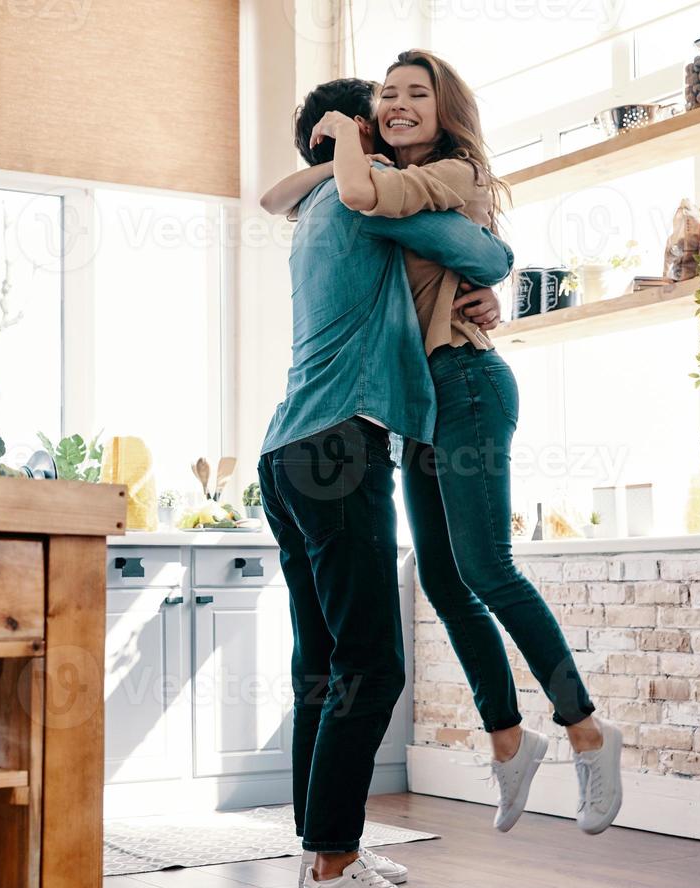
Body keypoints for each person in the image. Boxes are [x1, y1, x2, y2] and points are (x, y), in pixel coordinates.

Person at [262, 51, 624, 840]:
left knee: (486, 567)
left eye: (414, 94)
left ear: (442, 108)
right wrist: (340, 150)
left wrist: (495, 275)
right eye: (387, 95)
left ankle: (587, 733)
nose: (398, 104)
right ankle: (506, 740)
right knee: (443, 580)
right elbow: (284, 194)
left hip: (465, 383)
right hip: (419, 402)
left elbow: (489, 257)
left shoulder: (438, 178)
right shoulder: (364, 189)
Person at [257, 76, 513, 888]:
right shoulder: (364, 201)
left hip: (286, 450)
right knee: (374, 666)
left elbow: (274, 194)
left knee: (323, 671)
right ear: (357, 136)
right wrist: (496, 277)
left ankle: (320, 855)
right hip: (339, 445)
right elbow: (485, 255)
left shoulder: (315, 212)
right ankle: (334, 868)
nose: (400, 126)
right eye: (382, 117)